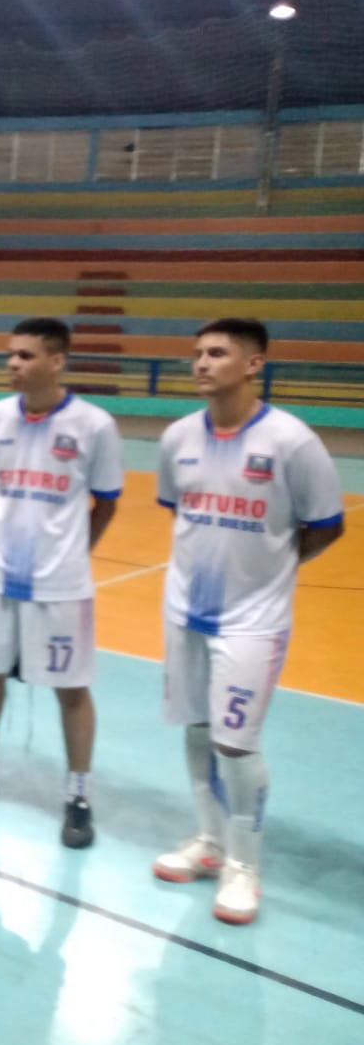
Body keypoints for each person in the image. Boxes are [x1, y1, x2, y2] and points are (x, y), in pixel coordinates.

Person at [152, 318, 345, 924]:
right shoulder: (177, 437)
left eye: (216, 353)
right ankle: (209, 841)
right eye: (196, 353)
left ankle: (244, 864)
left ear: (254, 364)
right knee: (194, 730)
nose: (201, 364)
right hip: (185, 609)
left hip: (253, 620)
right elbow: (178, 510)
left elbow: (326, 524)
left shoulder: (291, 441)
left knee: (235, 744)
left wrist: (272, 569)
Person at [0, 317, 124, 850]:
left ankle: (78, 794)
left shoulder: (94, 425)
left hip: (61, 584)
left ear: (56, 361)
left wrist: (71, 553)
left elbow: (106, 502)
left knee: (71, 688)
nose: (12, 364)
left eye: (25, 356)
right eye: (10, 354)